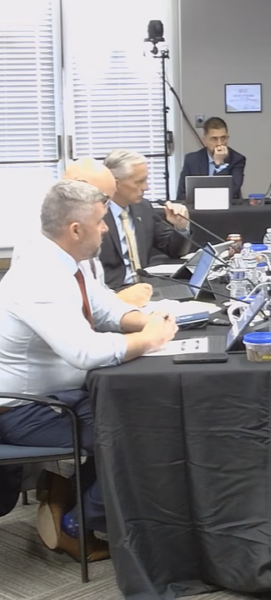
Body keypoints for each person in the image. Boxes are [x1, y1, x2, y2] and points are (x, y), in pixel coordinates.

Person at [0, 180, 178, 562]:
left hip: (58, 397)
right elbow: (83, 351)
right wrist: (148, 339)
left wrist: (147, 320)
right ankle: (75, 524)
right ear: (76, 229)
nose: (106, 228)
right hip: (24, 411)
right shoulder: (37, 277)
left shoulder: (68, 264)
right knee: (138, 431)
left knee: (142, 411)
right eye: (100, 221)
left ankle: (66, 497)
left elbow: (106, 310)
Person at [61, 158, 153, 307]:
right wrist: (118, 300)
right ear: (79, 186)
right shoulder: (44, 240)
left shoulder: (83, 235)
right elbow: (70, 310)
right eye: (103, 200)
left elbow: (96, 296)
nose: (104, 227)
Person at [99, 150, 192, 290]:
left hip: (146, 288)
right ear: (115, 184)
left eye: (146, 180)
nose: (146, 187)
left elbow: (174, 250)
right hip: (112, 292)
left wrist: (181, 227)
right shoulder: (96, 215)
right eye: (139, 182)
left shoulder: (143, 207)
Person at [176, 116, 246, 200]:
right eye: (214, 139)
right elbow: (181, 196)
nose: (219, 143)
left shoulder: (237, 160)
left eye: (223, 138)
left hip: (226, 207)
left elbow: (231, 192)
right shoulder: (191, 160)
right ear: (204, 141)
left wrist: (220, 164)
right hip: (198, 207)